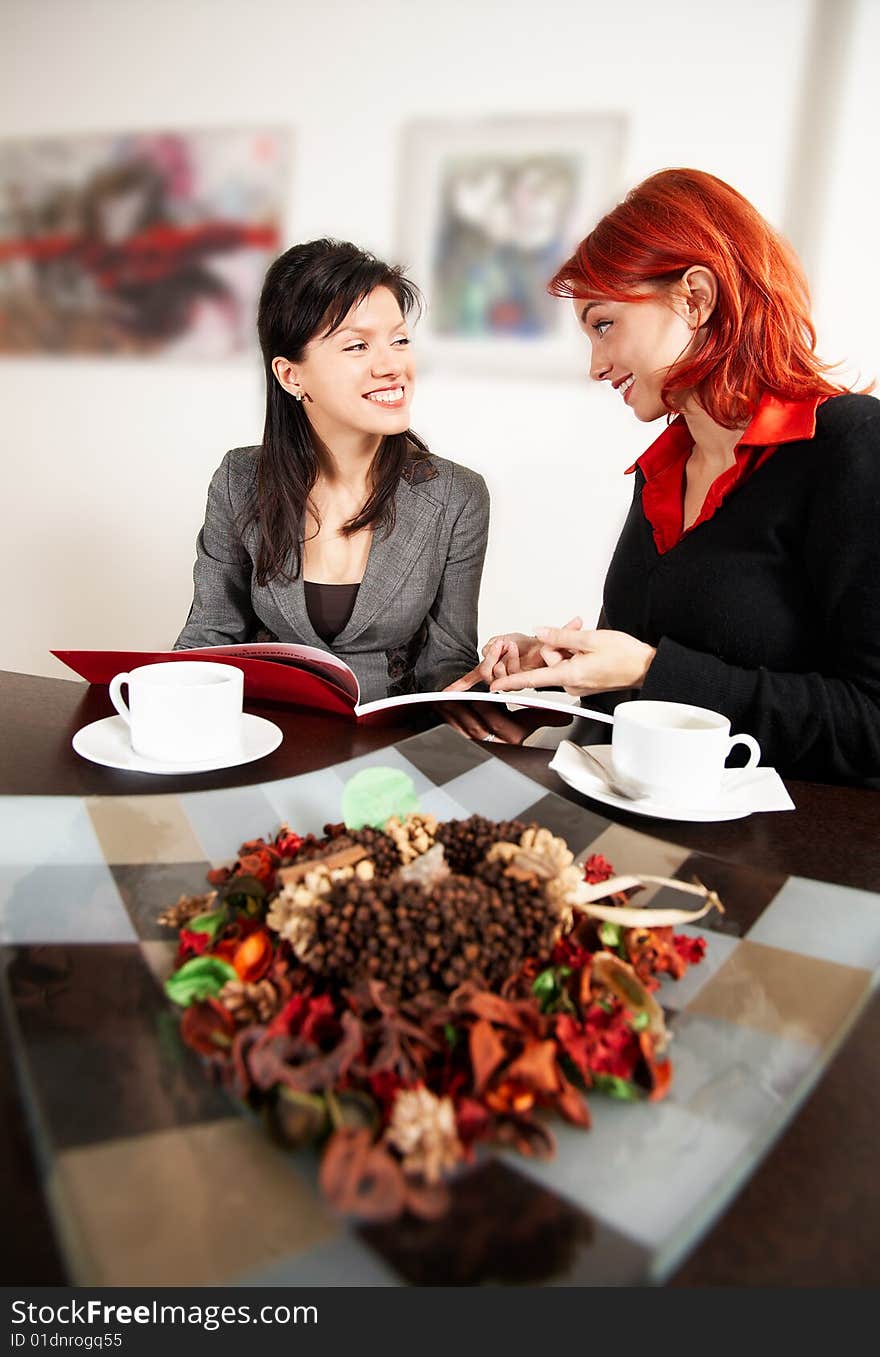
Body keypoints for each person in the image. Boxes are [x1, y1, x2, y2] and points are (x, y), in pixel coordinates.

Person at [449, 168, 880, 784]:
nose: (596, 367)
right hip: (629, 824)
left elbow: (870, 725)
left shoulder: (850, 447)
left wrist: (650, 670)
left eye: (604, 325)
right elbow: (639, 686)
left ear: (695, 297)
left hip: (776, 854)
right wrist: (555, 676)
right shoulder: (664, 467)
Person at [176, 239, 489, 702]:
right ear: (290, 376)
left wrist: (480, 700)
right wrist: (160, 700)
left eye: (399, 340)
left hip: (387, 746)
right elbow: (211, 633)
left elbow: (448, 663)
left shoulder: (456, 495)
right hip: (267, 728)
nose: (392, 366)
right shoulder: (239, 479)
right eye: (358, 345)